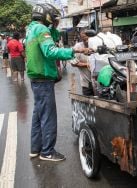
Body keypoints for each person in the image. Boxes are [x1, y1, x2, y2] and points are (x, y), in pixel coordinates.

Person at [26, 3, 91, 162]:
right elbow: (50, 51)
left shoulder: (32, 29)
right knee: (48, 116)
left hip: (36, 78)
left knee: (38, 114)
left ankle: (35, 148)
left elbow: (53, 37)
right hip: (43, 79)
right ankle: (47, 152)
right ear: (46, 17)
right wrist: (74, 50)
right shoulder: (42, 30)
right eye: (54, 19)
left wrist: (53, 27)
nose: (56, 23)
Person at [70, 31, 94, 96]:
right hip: (86, 83)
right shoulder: (78, 47)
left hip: (99, 83)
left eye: (87, 37)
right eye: (83, 37)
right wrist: (87, 65)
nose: (86, 39)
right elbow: (73, 62)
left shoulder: (96, 45)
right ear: (81, 38)